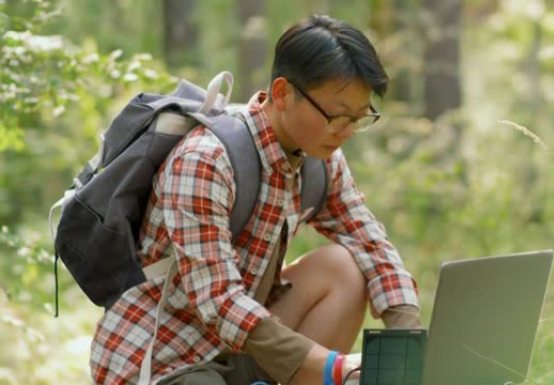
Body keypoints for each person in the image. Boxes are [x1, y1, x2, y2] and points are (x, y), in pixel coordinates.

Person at [90, 14, 421, 385]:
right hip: (166, 356)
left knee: (343, 267)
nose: (345, 132)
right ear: (282, 93)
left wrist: (407, 342)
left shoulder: (320, 157)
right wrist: (333, 368)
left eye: (359, 118)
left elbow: (370, 242)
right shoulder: (205, 160)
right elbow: (218, 302)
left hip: (243, 346)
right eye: (337, 116)